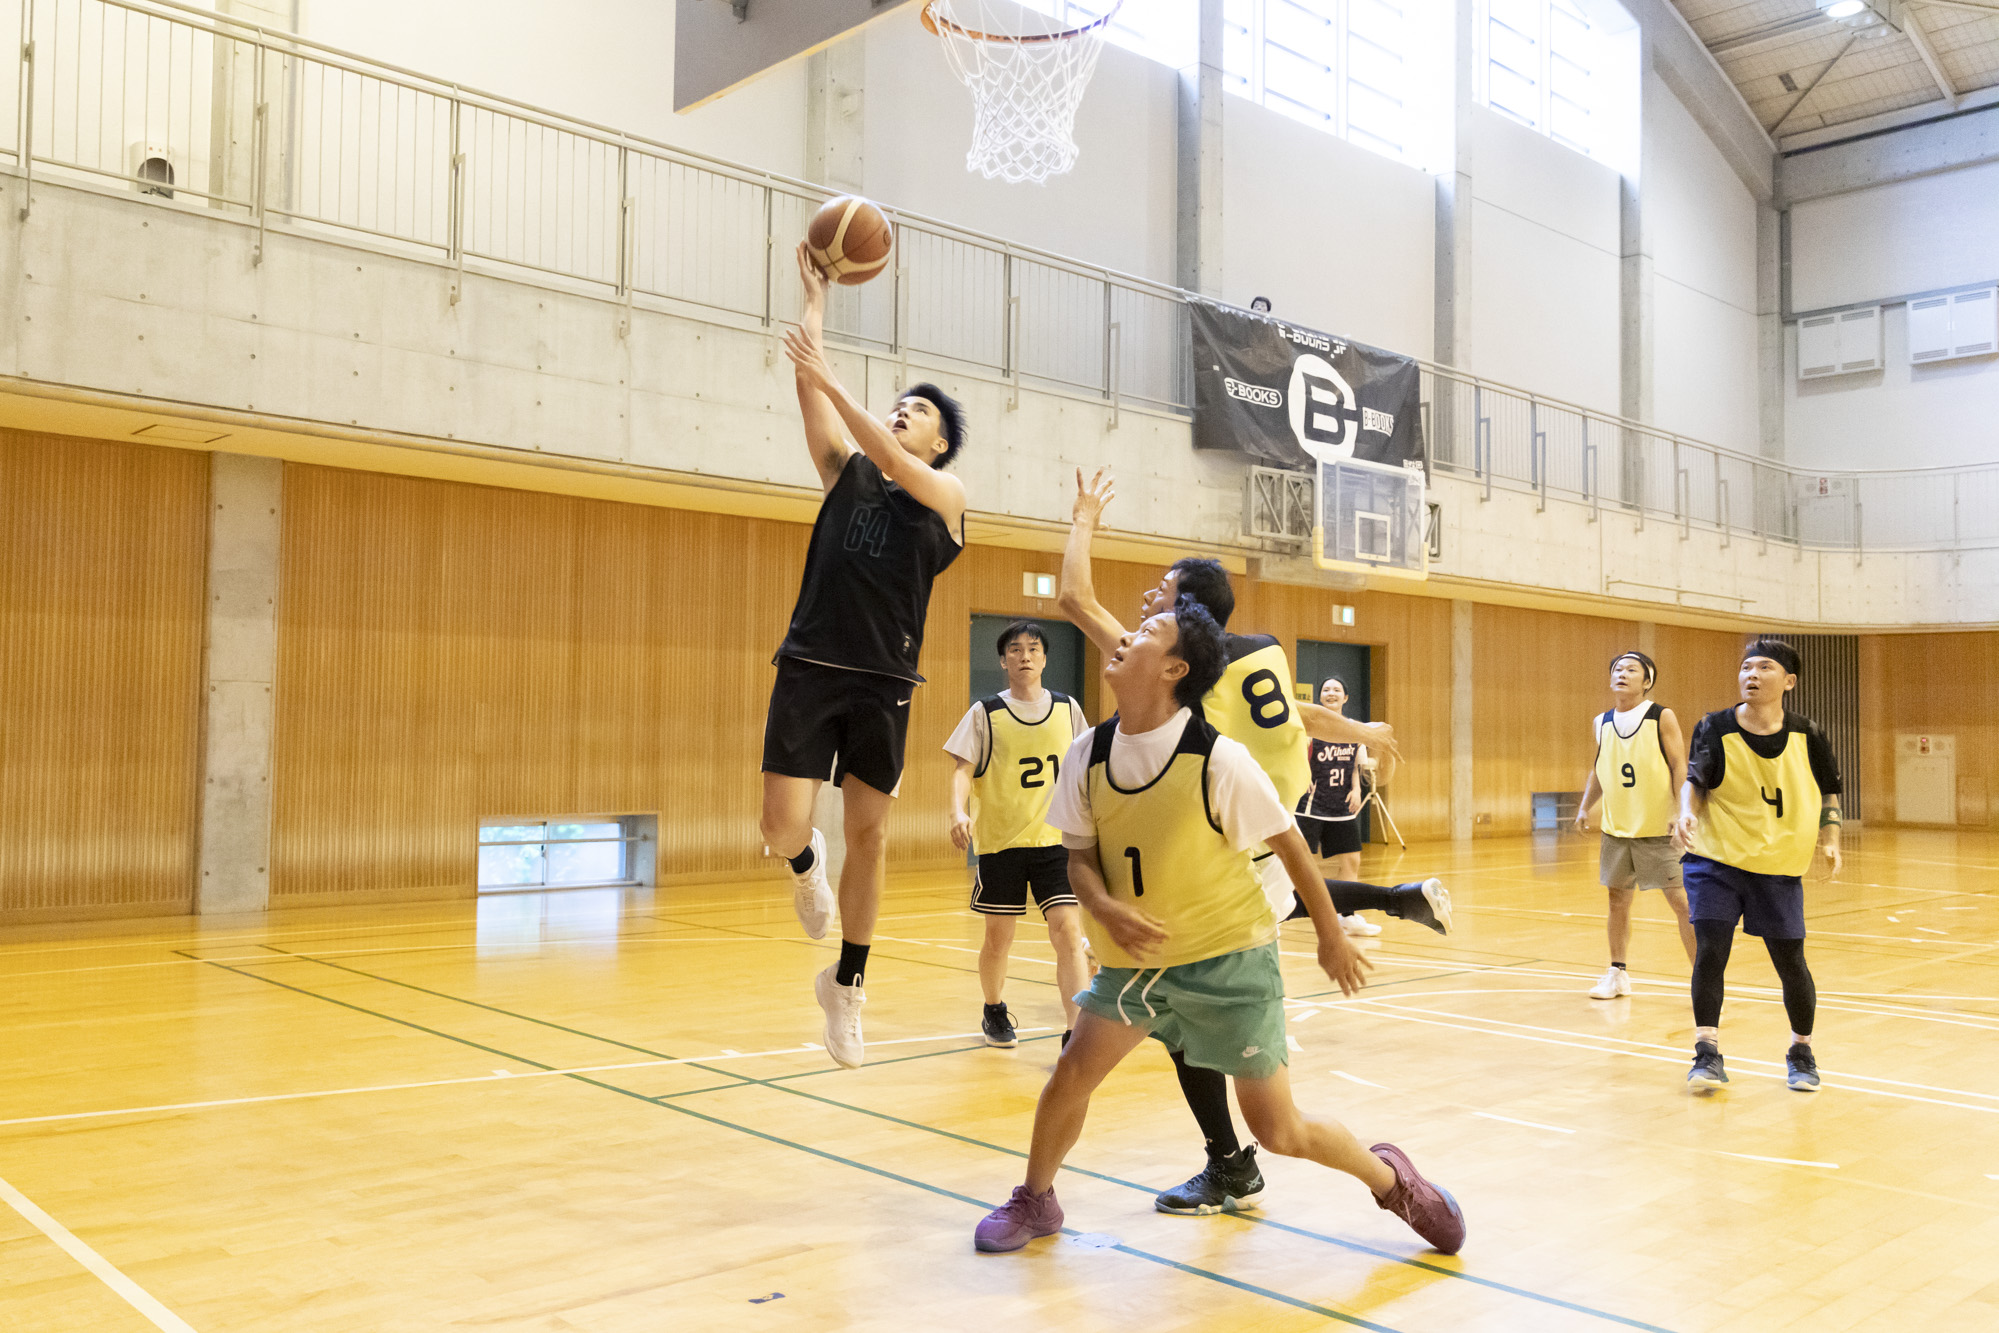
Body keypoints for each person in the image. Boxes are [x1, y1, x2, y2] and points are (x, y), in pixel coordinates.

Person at [970, 598, 1463, 1256]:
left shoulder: (1217, 758)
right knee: (1070, 1073)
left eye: (1148, 630)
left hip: (1230, 962)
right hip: (1139, 963)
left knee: (1279, 1130)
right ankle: (1036, 1198)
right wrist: (1105, 907)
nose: (1127, 634)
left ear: (1174, 668)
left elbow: (1292, 847)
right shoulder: (1087, 751)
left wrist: (1329, 934)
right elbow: (1078, 857)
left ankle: (1391, 1181)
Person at [1058, 466, 1452, 1217]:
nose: (1148, 601)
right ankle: (1394, 898)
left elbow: (1074, 599)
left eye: (1161, 593)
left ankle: (1232, 1164)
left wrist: (1083, 519)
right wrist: (1359, 727)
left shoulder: (1168, 663)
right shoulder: (1261, 651)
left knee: (1183, 1009)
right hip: (1257, 843)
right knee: (1185, 1004)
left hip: (1226, 856)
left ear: (1185, 620)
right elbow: (1300, 713)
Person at [760, 242, 968, 1069]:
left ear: (940, 445)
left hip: (885, 679)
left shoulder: (946, 499)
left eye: (917, 411)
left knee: (871, 834)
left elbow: (885, 452)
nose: (901, 413)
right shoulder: (845, 475)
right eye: (898, 404)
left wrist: (831, 374)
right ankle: (803, 864)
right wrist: (816, 305)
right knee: (781, 824)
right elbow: (812, 393)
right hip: (812, 662)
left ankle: (846, 985)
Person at [1670, 637, 1842, 1094]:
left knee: (1791, 962)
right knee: (1711, 951)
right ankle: (1706, 1052)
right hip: (1715, 859)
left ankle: (1801, 1052)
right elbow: (1695, 781)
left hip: (1778, 865)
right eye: (1747, 667)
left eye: (1764, 667)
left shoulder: (1809, 734)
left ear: (1789, 681)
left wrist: (1831, 839)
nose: (1752, 674)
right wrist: (1686, 812)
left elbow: (1829, 792)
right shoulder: (1714, 726)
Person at [944, 620, 1092, 1048]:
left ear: (1044, 659)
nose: (1024, 656)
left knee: (1068, 932)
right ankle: (993, 1008)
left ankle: (1074, 1030)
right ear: (1002, 661)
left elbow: (1087, 768)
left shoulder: (1068, 709)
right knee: (998, 939)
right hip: (1002, 843)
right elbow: (962, 769)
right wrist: (957, 811)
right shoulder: (985, 712)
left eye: (1033, 649)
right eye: (1015, 649)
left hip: (1056, 842)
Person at [1573, 651, 1697, 999]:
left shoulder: (1661, 716)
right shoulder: (1601, 722)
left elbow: (1678, 764)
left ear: (1647, 681)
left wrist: (1682, 810)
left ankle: (1703, 980)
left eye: (1631, 669)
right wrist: (1584, 808)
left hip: (1659, 829)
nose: (1622, 673)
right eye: (1617, 669)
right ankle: (1617, 973)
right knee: (1617, 902)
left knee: (1682, 903)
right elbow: (1601, 768)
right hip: (1617, 828)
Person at [1297, 675, 1400, 936]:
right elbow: (1296, 757)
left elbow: (1356, 766)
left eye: (1336, 689)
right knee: (1302, 861)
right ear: (1320, 697)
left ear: (1345, 697)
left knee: (1352, 860)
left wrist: (1356, 788)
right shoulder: (1310, 728)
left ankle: (1348, 916)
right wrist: (1303, 774)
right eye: (1326, 689)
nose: (1331, 693)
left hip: (1341, 805)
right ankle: (1287, 909)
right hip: (1310, 805)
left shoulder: (1356, 731)